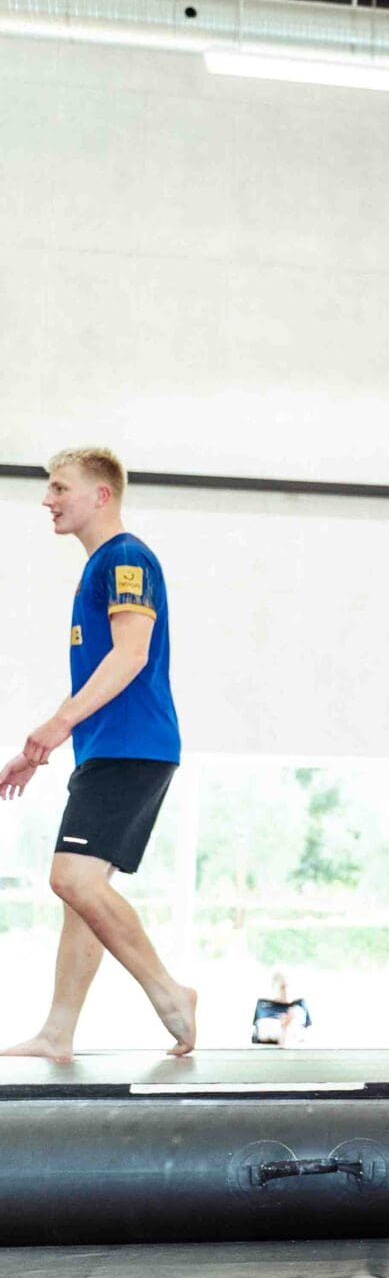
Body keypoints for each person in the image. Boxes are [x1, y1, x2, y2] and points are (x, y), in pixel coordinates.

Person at [1, 447, 196, 1060]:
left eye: (60, 488)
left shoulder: (124, 557)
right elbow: (101, 673)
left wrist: (57, 725)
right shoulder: (99, 568)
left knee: (72, 877)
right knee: (81, 895)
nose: (48, 500)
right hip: (111, 747)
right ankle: (58, 1032)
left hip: (131, 747)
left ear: (101, 495)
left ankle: (170, 992)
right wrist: (43, 744)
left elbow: (132, 653)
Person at [251, 971, 310, 1048]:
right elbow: (260, 1033)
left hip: (295, 1042)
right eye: (282, 987)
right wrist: (283, 1026)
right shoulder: (264, 1006)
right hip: (270, 1044)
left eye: (288, 986)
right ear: (274, 987)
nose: (286, 990)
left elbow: (308, 1032)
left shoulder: (299, 1006)